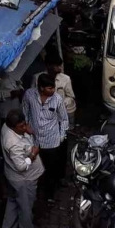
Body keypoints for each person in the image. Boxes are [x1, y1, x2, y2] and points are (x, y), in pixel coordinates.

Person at [23, 72, 70, 202]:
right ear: (41, 87)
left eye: (53, 87)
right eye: (50, 88)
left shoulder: (57, 99)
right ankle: (35, 192)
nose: (53, 90)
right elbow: (25, 112)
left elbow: (64, 120)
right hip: (34, 140)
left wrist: (61, 137)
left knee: (51, 169)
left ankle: (49, 195)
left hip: (52, 141)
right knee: (35, 167)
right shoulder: (29, 95)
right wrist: (26, 128)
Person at [0, 108, 43, 228]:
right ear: (13, 128)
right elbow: (21, 166)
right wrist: (33, 154)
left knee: (13, 203)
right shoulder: (13, 143)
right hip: (24, 179)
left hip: (12, 177)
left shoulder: (6, 126)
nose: (25, 127)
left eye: (25, 124)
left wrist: (26, 130)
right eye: (21, 127)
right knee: (25, 208)